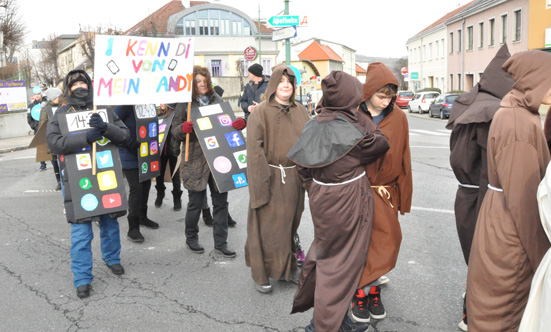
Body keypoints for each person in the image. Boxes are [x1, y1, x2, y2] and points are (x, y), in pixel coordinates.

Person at [288, 70, 390, 332]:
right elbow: (381, 144)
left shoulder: (313, 124)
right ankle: (322, 326)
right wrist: (359, 118)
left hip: (321, 198)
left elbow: (301, 166)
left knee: (329, 255)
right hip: (348, 201)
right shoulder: (355, 129)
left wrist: (315, 188)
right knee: (341, 265)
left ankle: (338, 320)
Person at [466, 50, 551, 331]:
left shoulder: (516, 112)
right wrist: (542, 259)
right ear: (535, 81)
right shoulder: (519, 124)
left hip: (499, 219)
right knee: (505, 312)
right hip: (511, 231)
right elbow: (524, 203)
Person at [446, 44, 513, 332]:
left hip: (465, 195)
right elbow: (488, 169)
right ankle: (472, 315)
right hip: (481, 198)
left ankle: (471, 309)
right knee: (486, 261)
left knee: (475, 258)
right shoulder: (493, 112)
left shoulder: (472, 103)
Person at [46, 69, 130, 299]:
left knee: (110, 224)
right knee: (81, 233)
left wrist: (105, 128)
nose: (79, 87)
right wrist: (85, 138)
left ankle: (112, 258)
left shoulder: (103, 110)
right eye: (74, 84)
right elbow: (54, 144)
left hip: (106, 177)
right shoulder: (61, 114)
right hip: (77, 180)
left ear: (90, 85)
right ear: (68, 88)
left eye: (83, 82)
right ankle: (82, 277)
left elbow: (125, 136)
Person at [346, 62, 413, 324]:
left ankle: (373, 289)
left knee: (387, 242)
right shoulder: (353, 115)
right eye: (380, 95)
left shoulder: (399, 117)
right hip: (357, 190)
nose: (385, 101)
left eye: (390, 96)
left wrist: (403, 197)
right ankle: (360, 294)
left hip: (385, 192)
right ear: (369, 91)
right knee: (360, 246)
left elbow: (405, 156)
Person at [244, 64, 309, 293]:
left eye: (289, 82)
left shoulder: (301, 111)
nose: (286, 86)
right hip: (270, 176)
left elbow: (308, 146)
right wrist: (261, 185)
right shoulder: (261, 111)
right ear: (273, 84)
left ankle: (285, 268)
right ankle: (262, 273)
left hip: (294, 177)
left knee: (289, 226)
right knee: (266, 228)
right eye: (281, 81)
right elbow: (254, 151)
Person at [171, 65, 246, 258]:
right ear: (192, 84)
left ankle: (221, 242)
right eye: (198, 82)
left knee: (221, 203)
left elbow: (227, 124)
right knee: (195, 203)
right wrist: (182, 129)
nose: (202, 85)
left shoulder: (217, 100)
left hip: (219, 159)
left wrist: (238, 124)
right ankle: (191, 238)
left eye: (204, 81)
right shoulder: (185, 103)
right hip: (195, 160)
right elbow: (174, 130)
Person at [113, 105, 161, 243]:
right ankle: (132, 228)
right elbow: (112, 125)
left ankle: (142, 216)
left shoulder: (148, 103)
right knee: (137, 188)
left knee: (146, 183)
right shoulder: (125, 104)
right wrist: (129, 142)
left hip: (145, 151)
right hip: (129, 152)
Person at [154, 103, 183, 211]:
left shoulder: (176, 116)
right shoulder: (158, 115)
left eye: (163, 102)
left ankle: (177, 198)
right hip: (160, 151)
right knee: (159, 174)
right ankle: (160, 194)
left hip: (173, 150)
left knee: (175, 174)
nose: (160, 104)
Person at [39, 87, 65, 190]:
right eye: (59, 96)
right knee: (54, 161)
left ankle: (65, 178)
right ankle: (58, 181)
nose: (61, 97)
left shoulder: (63, 106)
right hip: (51, 137)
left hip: (63, 137)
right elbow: (42, 125)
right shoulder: (45, 109)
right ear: (54, 97)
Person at [28, 86, 48, 171]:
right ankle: (42, 164)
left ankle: (55, 162)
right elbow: (29, 119)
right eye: (35, 94)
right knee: (40, 147)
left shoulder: (46, 103)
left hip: (48, 127)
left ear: (41, 94)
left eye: (38, 94)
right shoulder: (31, 106)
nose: (37, 96)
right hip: (38, 129)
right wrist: (35, 126)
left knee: (50, 144)